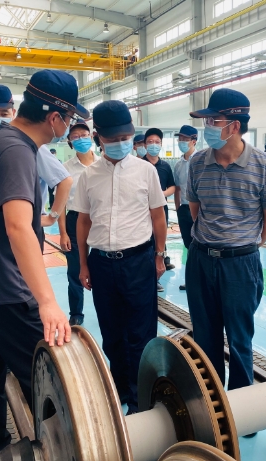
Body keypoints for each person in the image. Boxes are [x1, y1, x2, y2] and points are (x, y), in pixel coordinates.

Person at [0, 70, 87, 455]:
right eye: (69, 121)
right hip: (3, 290)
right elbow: (17, 225)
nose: (69, 129)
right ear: (55, 118)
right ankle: (61, 457)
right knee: (48, 378)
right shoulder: (17, 151)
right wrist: (47, 301)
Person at [186, 88, 266, 408]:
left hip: (240, 265)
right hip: (201, 260)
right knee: (205, 337)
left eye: (214, 121)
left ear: (235, 126)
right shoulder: (198, 163)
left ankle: (243, 407)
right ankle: (213, 407)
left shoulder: (264, 165)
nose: (208, 127)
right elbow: (196, 210)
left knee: (240, 339)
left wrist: (242, 246)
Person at [72, 100, 167, 415]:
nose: (120, 143)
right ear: (98, 137)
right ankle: (121, 388)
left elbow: (158, 217)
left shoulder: (146, 171)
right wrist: (83, 264)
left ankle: (141, 402)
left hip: (138, 261)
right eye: (112, 139)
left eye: (125, 137)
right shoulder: (89, 176)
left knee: (141, 334)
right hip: (102, 264)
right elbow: (83, 221)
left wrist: (159, 256)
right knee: (112, 334)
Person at [0, 84, 72, 239]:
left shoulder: (25, 145)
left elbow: (65, 180)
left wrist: (51, 217)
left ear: (13, 113)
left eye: (4, 113)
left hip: (23, 230)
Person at [58, 119, 100, 326]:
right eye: (75, 136)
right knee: (75, 270)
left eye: (84, 135)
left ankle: (105, 307)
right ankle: (76, 313)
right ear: (69, 142)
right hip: (75, 220)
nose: (80, 139)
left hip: (100, 219)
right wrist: (63, 233)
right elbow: (61, 205)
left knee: (102, 267)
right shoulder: (65, 169)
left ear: (91, 136)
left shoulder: (104, 163)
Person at [144, 127, 176, 291]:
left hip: (160, 210)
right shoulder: (139, 165)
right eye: (150, 142)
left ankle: (156, 278)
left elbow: (173, 187)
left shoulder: (165, 166)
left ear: (161, 144)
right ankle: (144, 277)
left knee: (159, 242)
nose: (154, 145)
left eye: (157, 142)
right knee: (144, 243)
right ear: (144, 144)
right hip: (142, 212)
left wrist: (161, 194)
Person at [173, 125, 198, 291]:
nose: (181, 142)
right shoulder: (178, 164)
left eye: (185, 139)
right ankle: (191, 280)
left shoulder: (202, 160)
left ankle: (200, 280)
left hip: (200, 210)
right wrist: (178, 209)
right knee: (189, 246)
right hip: (184, 209)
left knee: (200, 246)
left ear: (194, 141)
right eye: (180, 139)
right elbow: (177, 188)